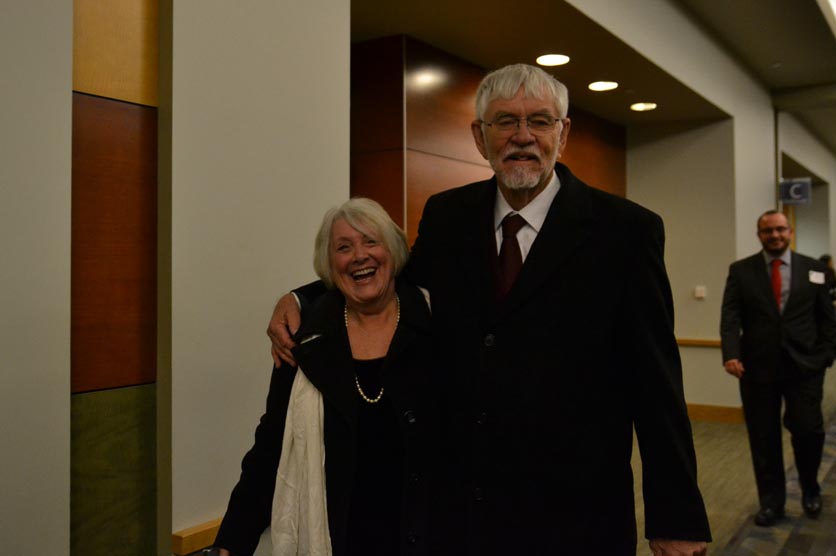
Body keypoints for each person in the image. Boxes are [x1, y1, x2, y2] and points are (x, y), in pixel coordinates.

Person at [269, 64, 710, 555]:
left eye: (540, 121)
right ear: (480, 138)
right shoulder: (448, 215)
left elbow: (656, 382)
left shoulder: (626, 231)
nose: (522, 136)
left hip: (577, 515)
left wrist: (677, 517)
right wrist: (302, 297)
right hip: (464, 513)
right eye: (505, 121)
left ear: (562, 135)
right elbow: (393, 285)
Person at [214, 198, 435, 556]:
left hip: (429, 537)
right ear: (329, 266)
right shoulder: (303, 342)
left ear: (392, 250)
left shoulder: (436, 325)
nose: (359, 256)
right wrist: (229, 544)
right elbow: (270, 448)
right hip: (338, 541)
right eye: (343, 247)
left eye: (371, 242)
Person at [720, 210, 836, 527]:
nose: (775, 235)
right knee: (763, 437)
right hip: (757, 369)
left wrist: (825, 357)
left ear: (791, 231)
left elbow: (828, 319)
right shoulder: (741, 270)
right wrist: (730, 353)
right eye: (767, 230)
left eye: (780, 229)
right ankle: (771, 503)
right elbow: (730, 316)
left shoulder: (815, 270)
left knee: (808, 431)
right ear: (759, 234)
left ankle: (811, 489)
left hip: (805, 368)